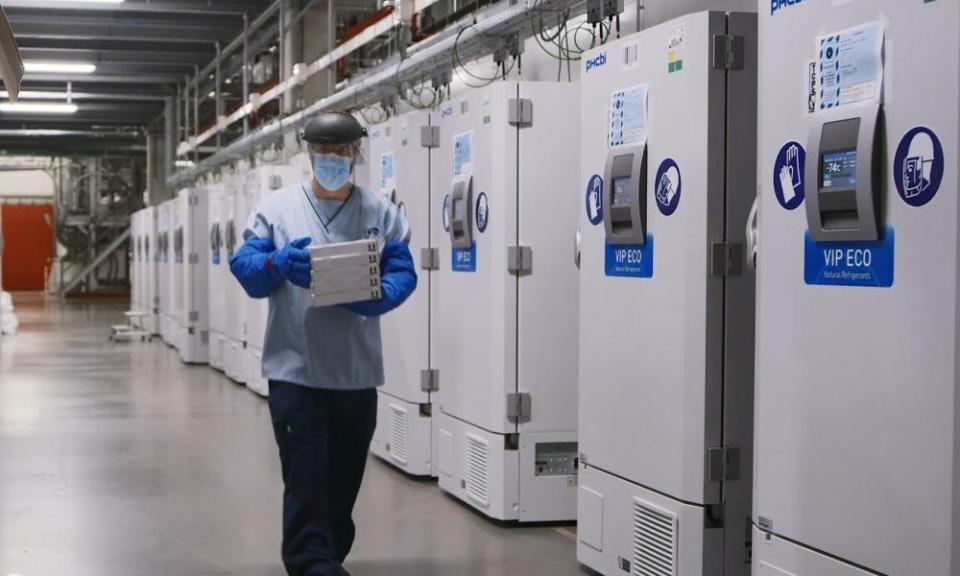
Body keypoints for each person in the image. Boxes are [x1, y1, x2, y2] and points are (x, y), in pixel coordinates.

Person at [229, 112, 417, 576]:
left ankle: (327, 553)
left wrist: (383, 295)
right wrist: (275, 263)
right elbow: (245, 267)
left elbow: (402, 270)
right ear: (308, 153)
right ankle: (311, 562)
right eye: (322, 152)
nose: (331, 159)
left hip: (355, 375)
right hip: (296, 371)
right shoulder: (277, 210)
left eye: (340, 152)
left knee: (343, 477)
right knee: (306, 472)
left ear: (356, 153)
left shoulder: (380, 214)